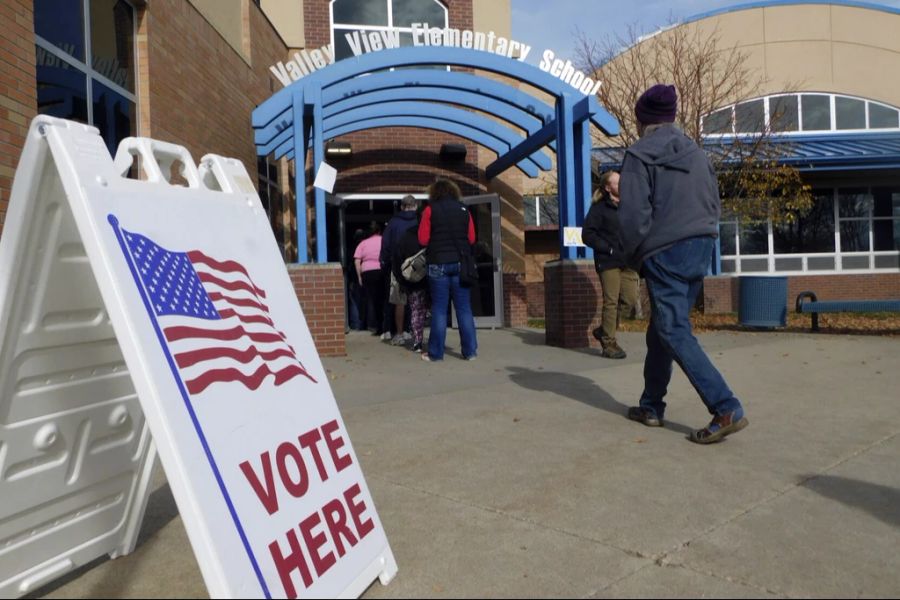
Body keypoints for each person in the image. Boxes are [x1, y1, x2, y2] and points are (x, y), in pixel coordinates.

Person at [618, 83, 748, 444]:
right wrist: (705, 237)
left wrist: (633, 255)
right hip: (701, 244)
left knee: (673, 329)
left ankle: (726, 406)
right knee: (663, 326)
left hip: (665, 249)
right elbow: (713, 203)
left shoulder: (639, 155)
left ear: (643, 120)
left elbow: (633, 216)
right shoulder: (696, 154)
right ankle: (651, 405)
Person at [418, 178, 478, 362]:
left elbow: (422, 239)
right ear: (454, 192)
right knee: (464, 309)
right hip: (460, 263)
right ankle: (470, 352)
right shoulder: (464, 210)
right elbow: (472, 238)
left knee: (439, 309)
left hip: (437, 263)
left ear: (434, 193)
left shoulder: (429, 210)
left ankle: (436, 354)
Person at [582, 170, 639, 359]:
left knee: (630, 301)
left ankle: (603, 330)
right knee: (611, 302)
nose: (622, 185)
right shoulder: (599, 209)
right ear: (608, 188)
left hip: (628, 261)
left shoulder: (629, 206)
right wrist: (608, 249)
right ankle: (609, 344)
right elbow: (587, 234)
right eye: (617, 183)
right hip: (609, 262)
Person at [381, 195, 420, 346]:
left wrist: (384, 262)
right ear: (415, 206)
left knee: (399, 301)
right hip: (418, 266)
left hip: (398, 266)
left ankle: (399, 333)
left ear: (402, 207)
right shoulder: (420, 221)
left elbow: (385, 245)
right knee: (417, 301)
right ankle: (415, 333)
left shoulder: (393, 223)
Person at [393, 204, 429, 353]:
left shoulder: (407, 236)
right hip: (431, 279)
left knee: (416, 310)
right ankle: (435, 343)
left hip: (413, 280)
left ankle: (417, 341)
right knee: (435, 310)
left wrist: (401, 280)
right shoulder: (432, 235)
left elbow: (396, 258)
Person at [353, 222, 386, 336]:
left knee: (372, 299)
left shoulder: (363, 243)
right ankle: (386, 326)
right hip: (382, 270)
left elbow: (357, 260)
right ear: (379, 231)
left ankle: (375, 326)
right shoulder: (384, 240)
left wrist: (359, 276)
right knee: (384, 299)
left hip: (368, 272)